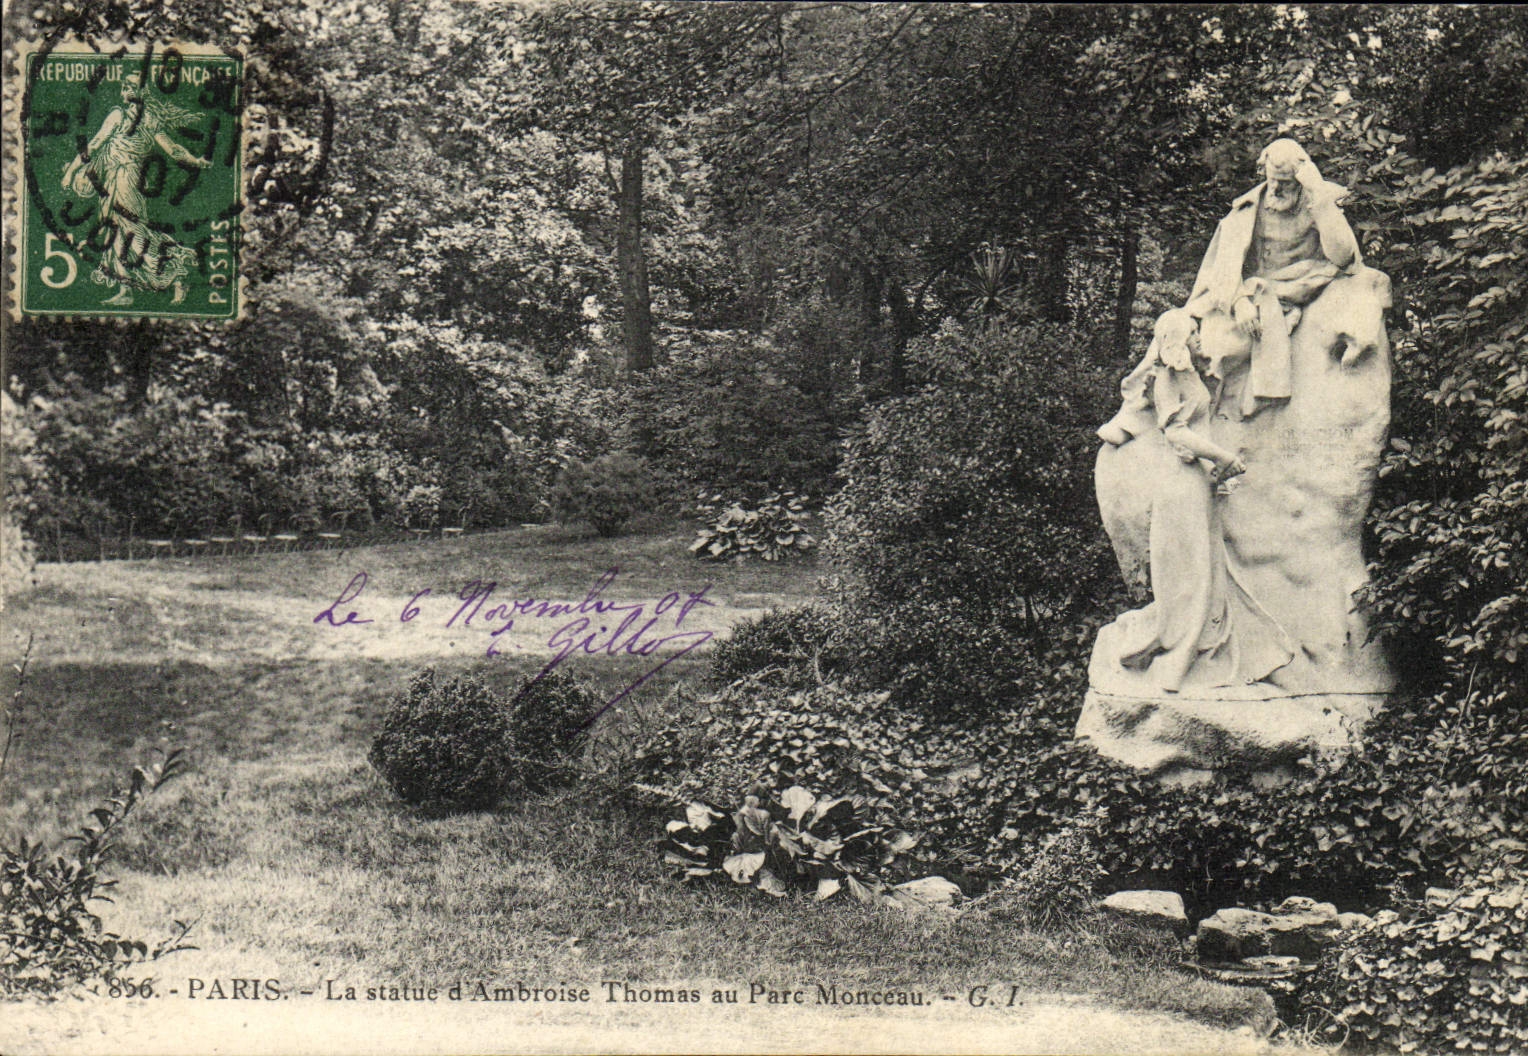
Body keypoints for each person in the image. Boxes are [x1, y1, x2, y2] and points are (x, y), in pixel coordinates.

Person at [1186, 138, 1362, 417]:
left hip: (1299, 288)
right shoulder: (1247, 209)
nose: (1277, 189)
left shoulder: (1317, 202)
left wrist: (1319, 195)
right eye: (1272, 180)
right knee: (1211, 348)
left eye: (1287, 182)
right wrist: (1238, 302)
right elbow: (1222, 267)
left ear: (1301, 180)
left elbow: (1344, 257)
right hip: (1248, 294)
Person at [60, 70, 211, 306]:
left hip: (128, 180)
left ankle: (177, 275)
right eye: (124, 86)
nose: (127, 90)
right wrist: (71, 171)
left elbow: (173, 150)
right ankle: (125, 291)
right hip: (113, 180)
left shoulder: (145, 118)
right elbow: (95, 145)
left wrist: (196, 161)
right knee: (114, 233)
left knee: (133, 234)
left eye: (132, 86)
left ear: (143, 92)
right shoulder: (121, 115)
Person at [1097, 308, 1245, 484]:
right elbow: (1174, 431)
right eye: (1191, 333)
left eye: (1197, 331)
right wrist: (1221, 457)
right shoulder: (1167, 376)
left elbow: (1200, 426)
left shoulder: (1191, 373)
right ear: (1179, 338)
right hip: (1183, 476)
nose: (1198, 337)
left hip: (1201, 472)